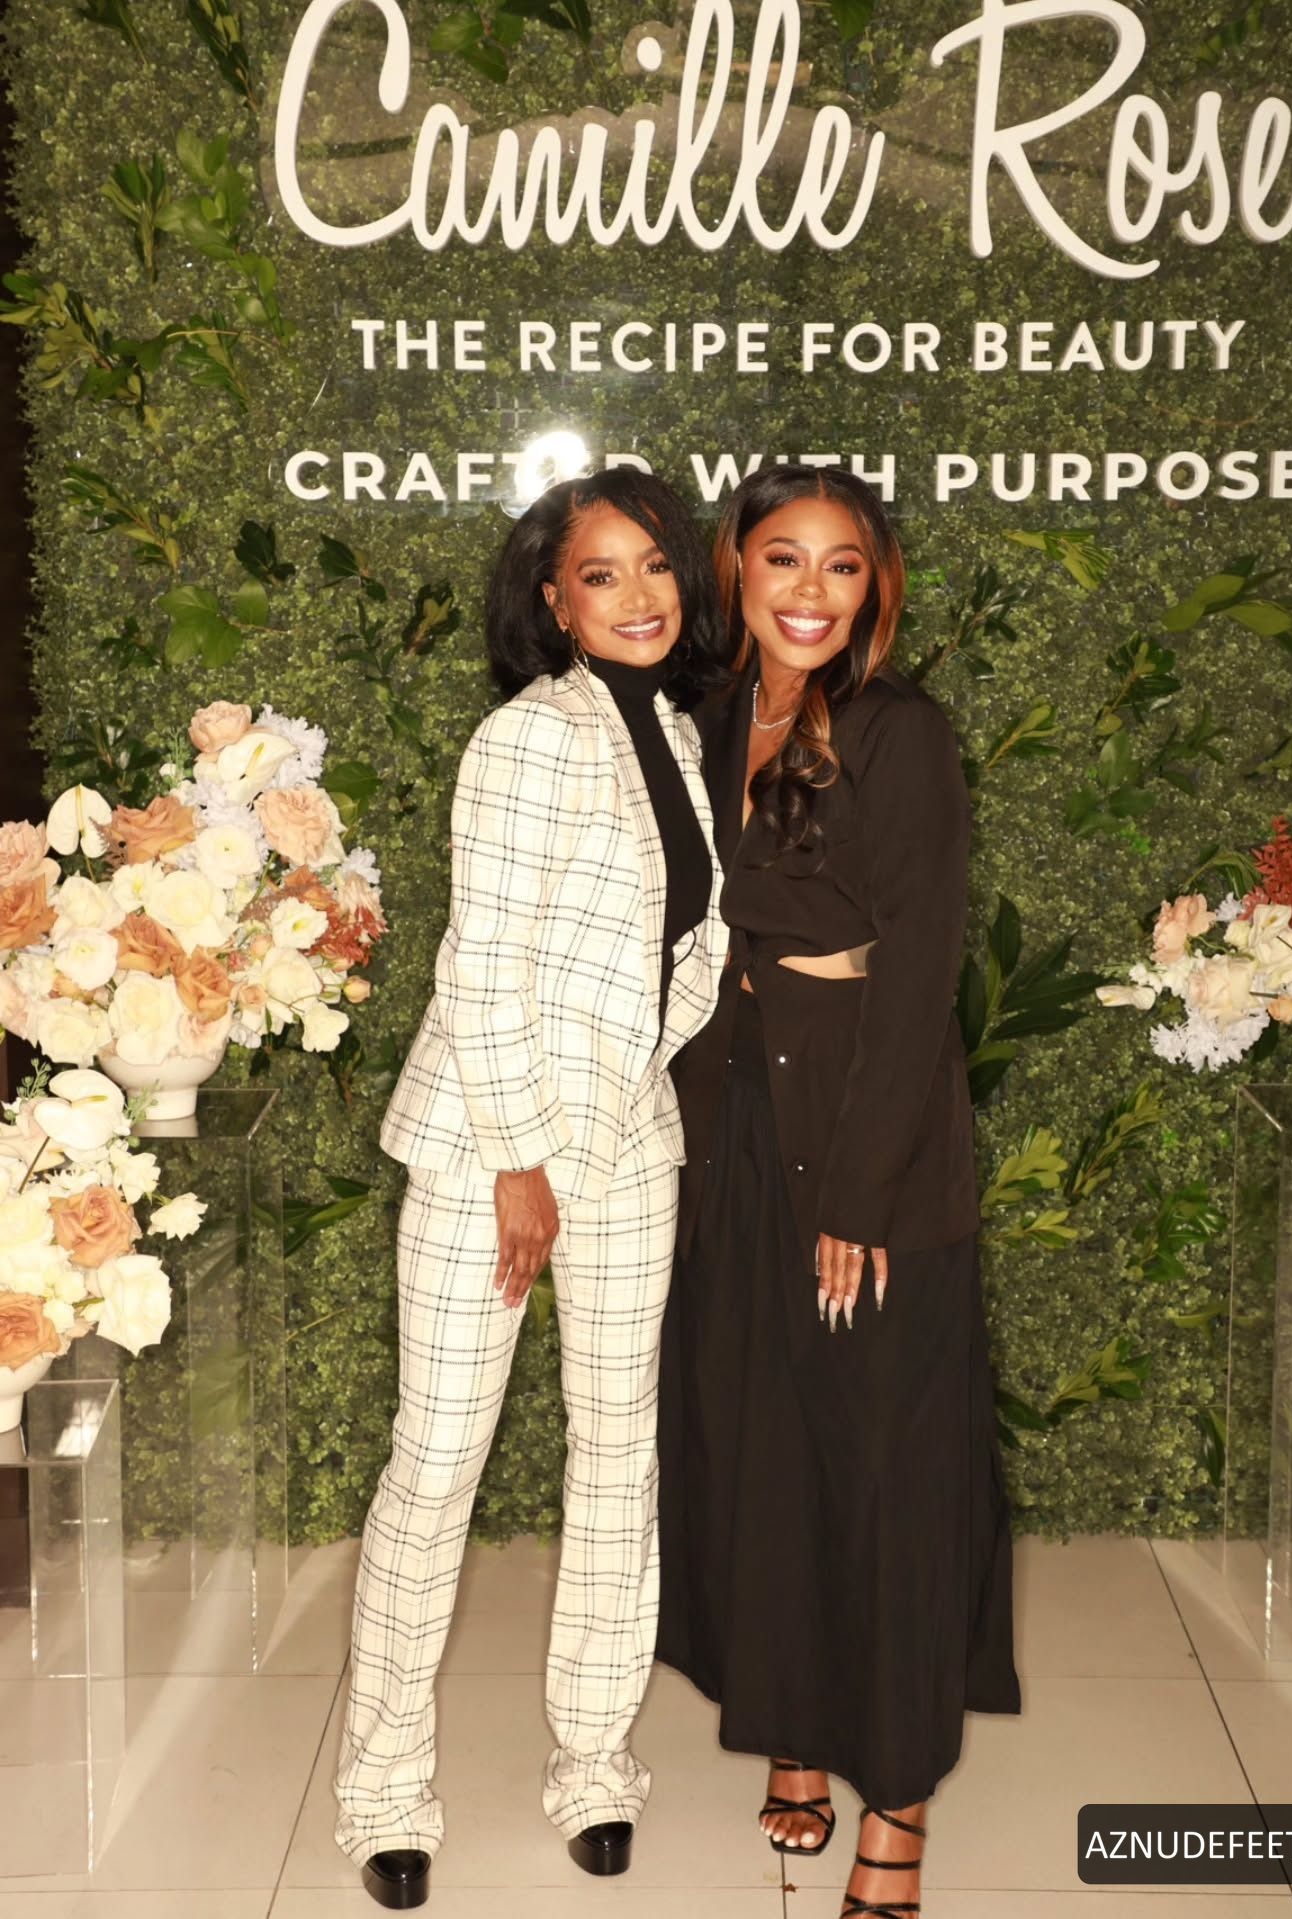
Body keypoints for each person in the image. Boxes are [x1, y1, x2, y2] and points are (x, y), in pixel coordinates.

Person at [335, 468, 728, 1910]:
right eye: (600, 575)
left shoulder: (674, 731)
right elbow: (482, 962)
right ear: (554, 603)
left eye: (655, 567)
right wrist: (519, 1158)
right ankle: (383, 1789)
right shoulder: (525, 738)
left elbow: (683, 942)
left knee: (617, 1457)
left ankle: (595, 1765)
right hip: (486, 1151)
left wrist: (641, 1072)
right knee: (437, 1463)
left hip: (629, 1141)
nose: (637, 596)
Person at [657, 465, 1021, 1919]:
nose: (811, 592)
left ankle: (901, 1810)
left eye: (844, 566)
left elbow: (919, 970)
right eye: (783, 559)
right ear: (734, 569)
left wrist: (859, 1197)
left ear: (877, 586)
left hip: (866, 1137)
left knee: (886, 1469)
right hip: (731, 1133)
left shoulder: (898, 731)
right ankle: (796, 1730)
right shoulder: (695, 719)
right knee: (764, 1451)